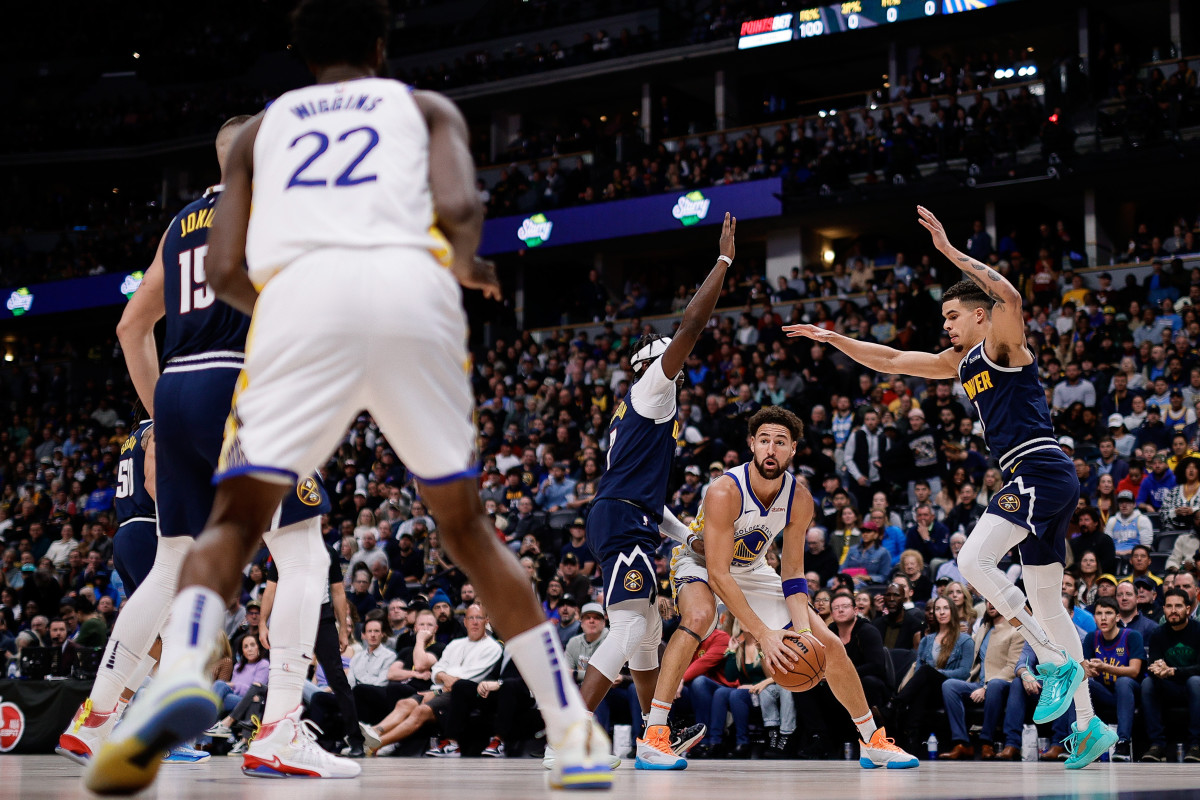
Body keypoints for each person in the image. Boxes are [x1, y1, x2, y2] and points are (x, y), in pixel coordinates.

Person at [90, 1, 610, 793]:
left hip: (302, 316)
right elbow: (459, 212)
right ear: (379, 46)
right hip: (404, 306)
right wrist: (469, 267)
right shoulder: (422, 106)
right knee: (464, 527)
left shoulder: (261, 138)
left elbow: (228, 271)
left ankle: (186, 668)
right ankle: (570, 726)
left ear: (297, 52)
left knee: (231, 523)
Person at [785, 205, 1113, 769]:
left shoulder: (1005, 344)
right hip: (1036, 478)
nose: (948, 325)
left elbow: (1010, 296)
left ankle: (1053, 661)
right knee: (1049, 607)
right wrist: (833, 337)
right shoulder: (960, 364)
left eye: (956, 315)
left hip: (1040, 469)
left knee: (972, 562)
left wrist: (950, 253)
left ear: (982, 317)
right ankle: (1088, 725)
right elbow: (889, 359)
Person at [72, 116, 343, 787]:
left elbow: (132, 325)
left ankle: (96, 714)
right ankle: (280, 729)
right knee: (305, 551)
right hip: (242, 384)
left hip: (180, 389)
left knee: (172, 563)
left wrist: (159, 410)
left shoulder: (181, 223)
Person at [636, 408, 917, 770]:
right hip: (702, 563)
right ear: (752, 444)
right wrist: (764, 635)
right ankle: (655, 735)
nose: (771, 449)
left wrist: (801, 631)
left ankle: (872, 740)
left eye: (780, 442)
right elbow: (720, 575)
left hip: (754, 569)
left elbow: (794, 575)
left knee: (828, 644)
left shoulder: (799, 498)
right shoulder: (724, 489)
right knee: (700, 616)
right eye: (764, 440)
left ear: (793, 449)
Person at [569, 212, 737, 771]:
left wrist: (684, 533)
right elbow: (690, 326)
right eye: (675, 362)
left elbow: (646, 495)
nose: (682, 371)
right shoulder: (653, 388)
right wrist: (723, 262)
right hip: (621, 520)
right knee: (631, 626)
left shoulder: (632, 413)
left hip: (625, 514)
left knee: (648, 632)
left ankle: (656, 734)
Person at [938, 603, 1024, 760]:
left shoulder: (1016, 630)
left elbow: (1013, 667)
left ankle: (986, 743)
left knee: (995, 685)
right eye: (988, 600)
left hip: (1003, 684)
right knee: (949, 686)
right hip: (979, 682)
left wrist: (986, 686)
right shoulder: (984, 627)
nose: (991, 604)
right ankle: (962, 743)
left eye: (995, 600)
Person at [1139, 588, 1200, 762]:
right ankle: (1157, 745)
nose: (1173, 610)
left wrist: (1173, 670)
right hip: (1170, 687)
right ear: (1163, 609)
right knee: (1147, 684)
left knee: (1195, 681)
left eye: (1178, 606)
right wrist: (1159, 668)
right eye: (1169, 606)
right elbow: (1154, 665)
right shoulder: (1158, 634)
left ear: (1188, 609)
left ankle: (1196, 745)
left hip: (1194, 687)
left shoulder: (1198, 631)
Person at [1082, 597, 1144, 762]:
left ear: (1117, 617)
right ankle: (1084, 741)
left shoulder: (1132, 636)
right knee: (1081, 683)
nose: (1103, 618)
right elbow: (1085, 671)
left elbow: (1134, 671)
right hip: (1106, 694)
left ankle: (1123, 742)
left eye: (1108, 613)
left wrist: (1104, 667)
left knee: (1123, 682)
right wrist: (1089, 670)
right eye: (1099, 613)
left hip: (1131, 694)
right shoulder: (1091, 638)